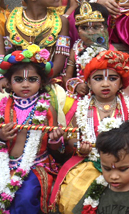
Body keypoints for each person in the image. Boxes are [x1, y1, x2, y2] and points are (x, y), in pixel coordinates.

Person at [50, 48, 129, 213]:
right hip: (90, 161)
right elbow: (71, 136)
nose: (105, 84)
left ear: (121, 83)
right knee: (77, 190)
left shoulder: (128, 106)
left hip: (124, 162)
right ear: (88, 83)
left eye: (112, 78)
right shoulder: (81, 107)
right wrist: (79, 147)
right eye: (98, 78)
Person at [0, 45, 65, 214]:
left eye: (32, 79)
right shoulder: (2, 107)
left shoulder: (47, 108)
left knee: (25, 196)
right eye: (19, 79)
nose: (25, 84)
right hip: (4, 163)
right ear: (8, 82)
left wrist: (55, 138)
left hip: (35, 165)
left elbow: (55, 147)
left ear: (42, 82)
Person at [3, 0, 70, 81]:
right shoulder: (12, 21)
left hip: (48, 81)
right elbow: (9, 58)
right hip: (19, 83)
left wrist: (38, 82)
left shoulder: (61, 22)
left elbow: (59, 63)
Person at [63, 0, 113, 99]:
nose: (90, 32)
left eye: (96, 27)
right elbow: (67, 77)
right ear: (77, 30)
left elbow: (117, 78)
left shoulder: (110, 50)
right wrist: (76, 86)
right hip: (81, 96)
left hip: (104, 96)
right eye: (84, 28)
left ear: (105, 28)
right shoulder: (76, 48)